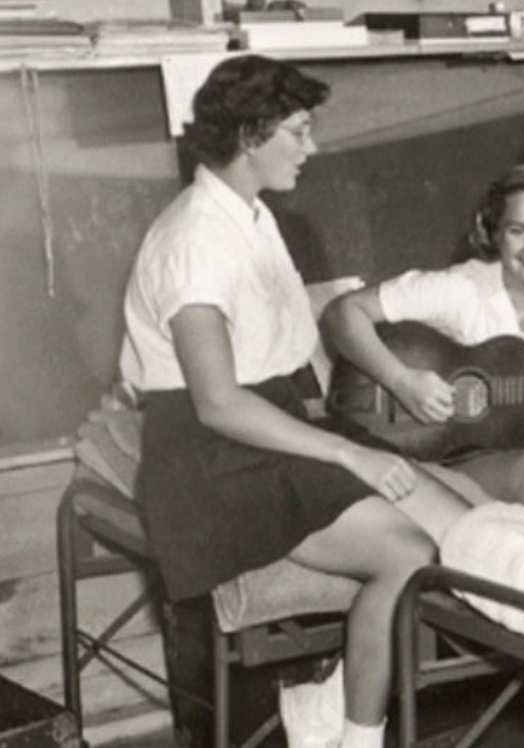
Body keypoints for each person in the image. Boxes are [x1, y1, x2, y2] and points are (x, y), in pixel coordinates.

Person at [119, 55, 479, 748]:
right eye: (300, 131)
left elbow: (278, 354)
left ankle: (324, 705)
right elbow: (219, 403)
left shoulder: (249, 215)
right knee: (409, 551)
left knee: (464, 534)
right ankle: (354, 735)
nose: (312, 148)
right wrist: (349, 454)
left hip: (274, 426)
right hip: (210, 458)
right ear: (253, 135)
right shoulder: (195, 240)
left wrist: (355, 433)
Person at [323, 164, 524, 513]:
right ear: (494, 233)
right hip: (442, 455)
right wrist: (402, 381)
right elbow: (342, 312)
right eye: (518, 231)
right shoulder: (460, 289)